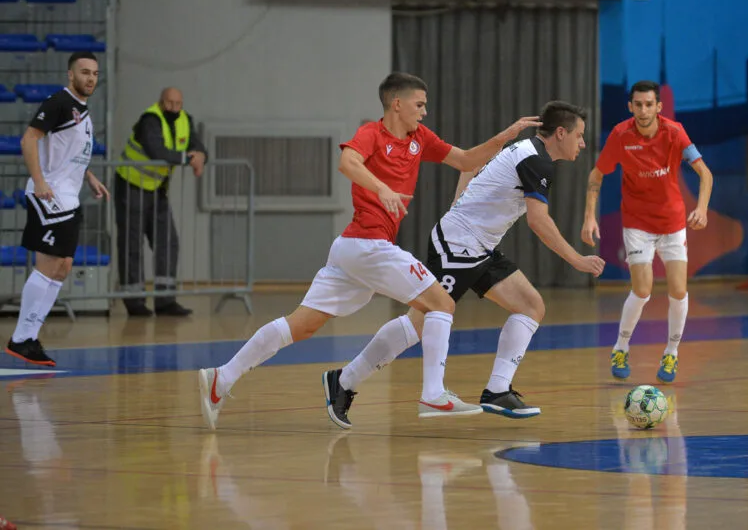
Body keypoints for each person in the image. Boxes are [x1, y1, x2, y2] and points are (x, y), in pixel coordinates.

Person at [198, 72, 541, 430]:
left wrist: (505, 136)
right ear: (397, 103)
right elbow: (347, 163)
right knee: (441, 303)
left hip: (351, 251)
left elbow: (467, 161)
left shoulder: (420, 138)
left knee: (302, 325)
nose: (424, 112)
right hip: (366, 245)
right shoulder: (371, 134)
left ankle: (221, 378)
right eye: (419, 105)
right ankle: (433, 394)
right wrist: (383, 190)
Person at [321, 101, 605, 429]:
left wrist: (460, 202)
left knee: (531, 306)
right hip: (457, 245)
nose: (583, 144)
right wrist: (577, 260)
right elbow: (538, 222)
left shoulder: (525, 149)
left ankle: (497, 391)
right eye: (579, 136)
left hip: (480, 246)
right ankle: (344, 381)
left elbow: (470, 167)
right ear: (560, 133)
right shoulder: (537, 161)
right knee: (419, 323)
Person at [581, 80, 713, 384]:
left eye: (648, 104)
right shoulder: (620, 135)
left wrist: (702, 209)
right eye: (637, 104)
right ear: (631, 107)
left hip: (672, 222)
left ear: (658, 107)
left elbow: (705, 174)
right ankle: (621, 347)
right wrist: (589, 216)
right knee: (642, 289)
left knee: (678, 290)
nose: (643, 110)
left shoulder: (675, 132)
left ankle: (671, 353)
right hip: (638, 223)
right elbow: (596, 174)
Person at [4, 52, 109, 367]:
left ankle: (29, 336)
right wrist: (39, 182)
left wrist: (87, 176)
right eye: (84, 72)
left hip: (68, 196)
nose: (90, 78)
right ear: (70, 74)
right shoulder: (58, 103)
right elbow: (29, 140)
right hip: (50, 197)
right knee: (50, 266)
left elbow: (67, 151)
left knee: (63, 266)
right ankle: (22, 338)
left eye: (94, 73)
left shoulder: (82, 111)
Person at [114, 87, 207, 317]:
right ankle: (134, 303)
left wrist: (201, 155)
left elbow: (196, 144)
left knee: (168, 242)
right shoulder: (150, 120)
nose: (174, 108)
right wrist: (188, 158)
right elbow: (157, 150)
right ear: (161, 102)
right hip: (130, 186)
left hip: (157, 190)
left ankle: (165, 301)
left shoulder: (186, 120)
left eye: (178, 104)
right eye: (169, 103)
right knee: (131, 245)